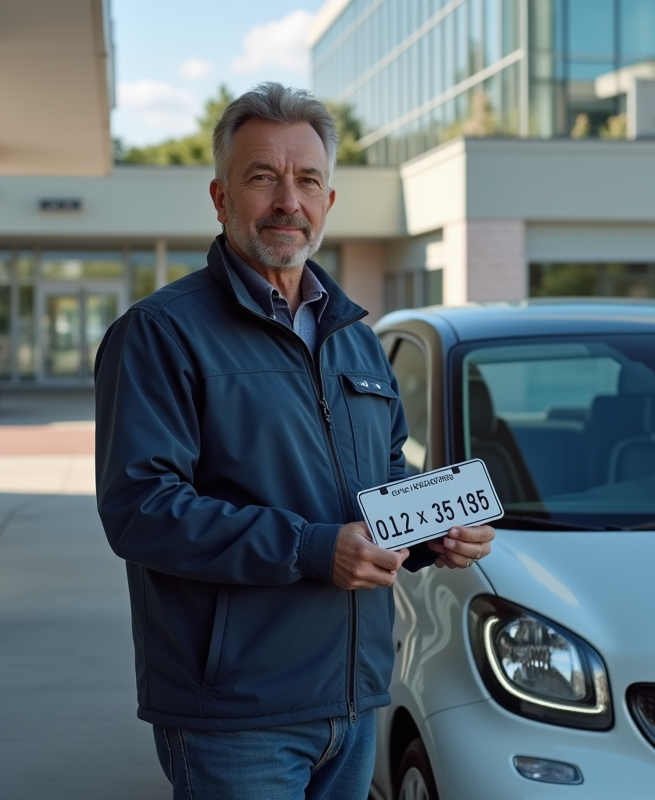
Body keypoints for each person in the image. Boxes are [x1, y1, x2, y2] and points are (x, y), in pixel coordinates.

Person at [93, 82, 495, 800]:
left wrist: (433, 531)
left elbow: (378, 484)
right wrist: (312, 548)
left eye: (307, 180)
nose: (288, 200)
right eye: (262, 177)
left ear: (329, 201)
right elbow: (141, 509)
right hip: (237, 712)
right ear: (220, 197)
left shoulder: (356, 340)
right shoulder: (160, 334)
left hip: (354, 698)